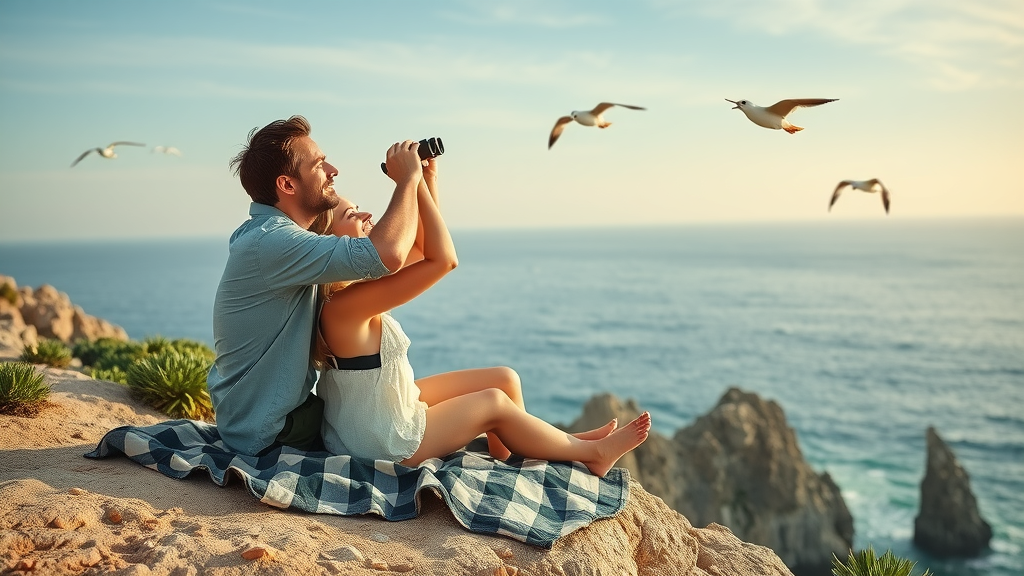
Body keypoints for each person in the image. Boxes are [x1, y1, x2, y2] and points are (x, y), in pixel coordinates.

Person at [314, 157, 652, 477]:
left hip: (379, 409)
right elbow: (443, 260)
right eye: (351, 214)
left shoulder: (354, 290)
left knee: (503, 380)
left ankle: (520, 455)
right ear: (330, 242)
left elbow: (422, 251)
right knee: (493, 403)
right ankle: (590, 453)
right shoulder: (342, 306)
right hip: (380, 442)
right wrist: (409, 180)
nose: (366, 214)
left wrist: (427, 180)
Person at [208, 115, 427, 456]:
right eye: (319, 165)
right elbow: (389, 255)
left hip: (261, 419)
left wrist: (425, 180)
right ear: (288, 185)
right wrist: (407, 180)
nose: (333, 170)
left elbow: (407, 254)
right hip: (270, 433)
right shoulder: (273, 242)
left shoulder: (276, 238)